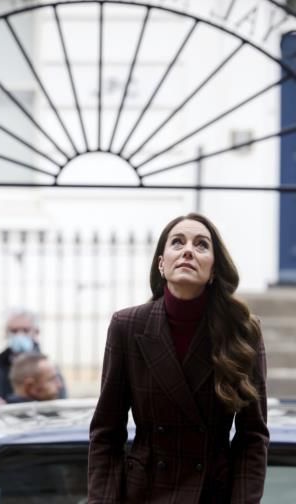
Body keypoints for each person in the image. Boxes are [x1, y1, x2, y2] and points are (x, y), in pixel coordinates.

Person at [88, 212, 269, 504]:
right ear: (162, 263)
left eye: (201, 245)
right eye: (177, 242)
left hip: (211, 493)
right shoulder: (127, 326)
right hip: (144, 493)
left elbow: (252, 438)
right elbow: (106, 434)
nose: (188, 250)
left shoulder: (241, 331)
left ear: (213, 270)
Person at [0, 309, 66, 407]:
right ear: (6, 333)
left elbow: (61, 400)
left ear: (36, 332)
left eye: (25, 330)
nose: (19, 335)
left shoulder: (46, 365)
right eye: (14, 331)